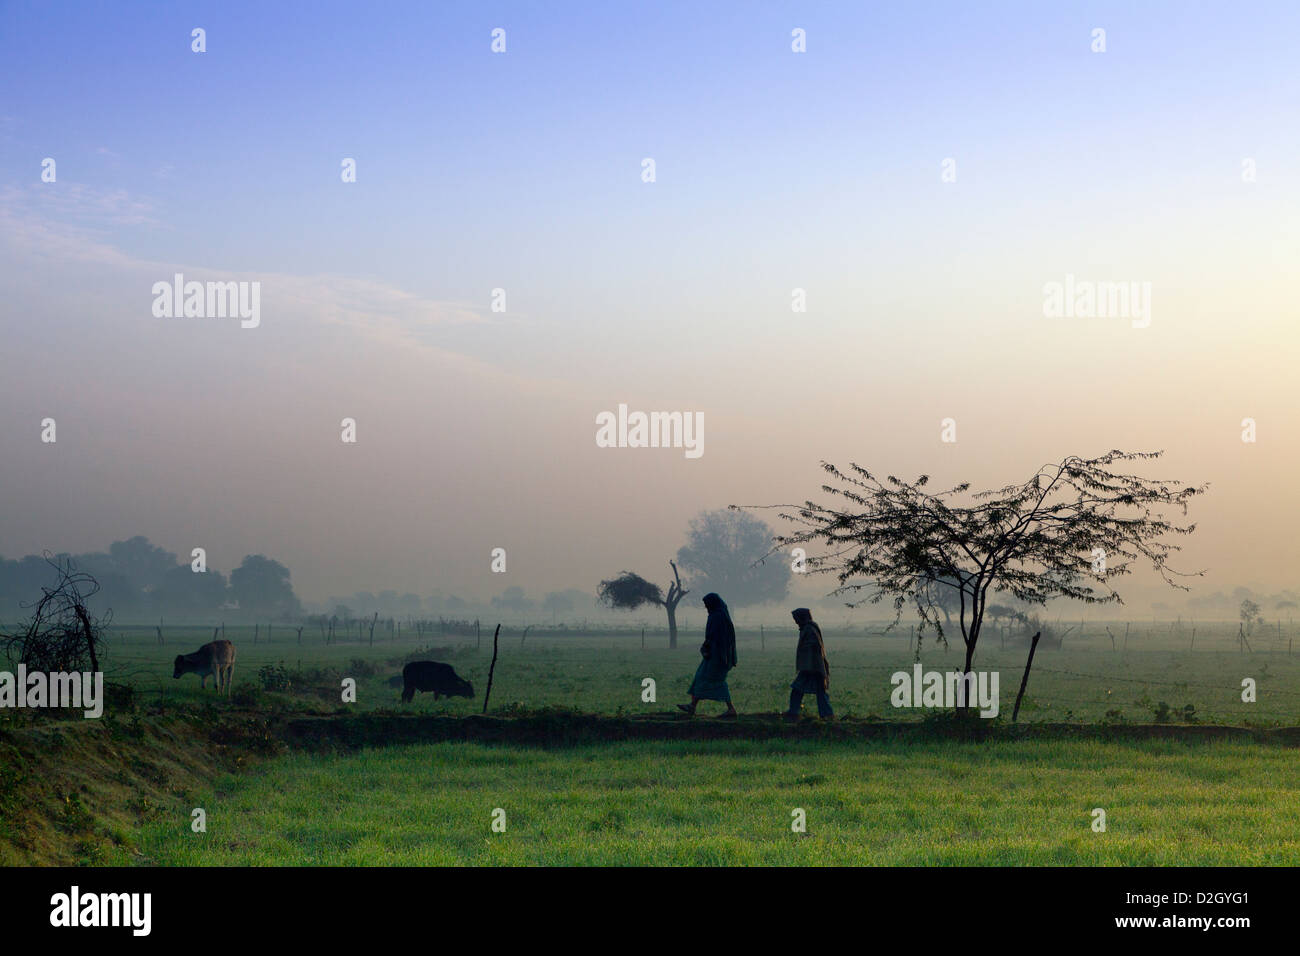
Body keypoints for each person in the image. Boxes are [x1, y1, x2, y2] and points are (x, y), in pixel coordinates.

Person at [678, 592, 738, 718]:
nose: (706, 607)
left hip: (719, 656)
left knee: (712, 680)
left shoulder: (717, 617)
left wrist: (707, 647)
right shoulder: (721, 615)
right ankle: (692, 706)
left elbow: (715, 637)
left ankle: (730, 709)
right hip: (716, 655)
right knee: (702, 677)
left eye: (707, 604)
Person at [783, 607, 832, 720]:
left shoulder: (809, 630)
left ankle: (793, 713)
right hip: (813, 667)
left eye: (796, 619)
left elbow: (813, 650)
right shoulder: (808, 628)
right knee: (819, 691)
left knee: (797, 689)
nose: (795, 621)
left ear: (802, 618)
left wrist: (808, 666)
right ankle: (826, 714)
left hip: (811, 667)